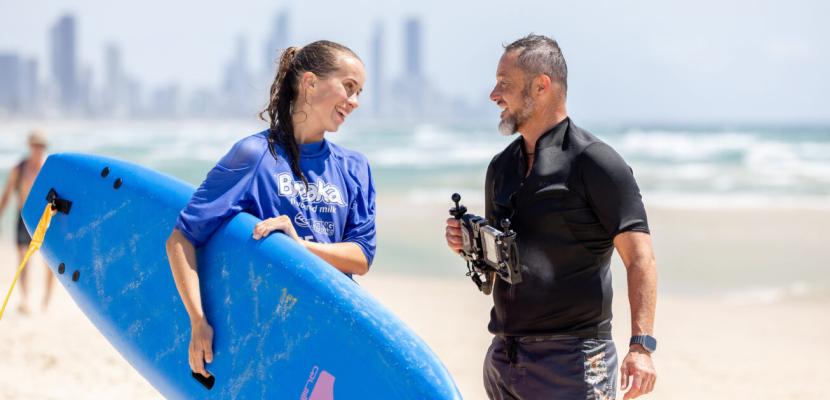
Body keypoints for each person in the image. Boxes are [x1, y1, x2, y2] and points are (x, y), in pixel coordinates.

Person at [444, 35, 658, 399]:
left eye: (504, 83)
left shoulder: (595, 161)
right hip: (503, 360)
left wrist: (641, 346)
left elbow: (640, 257)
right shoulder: (500, 168)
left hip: (573, 361)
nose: (494, 94)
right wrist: (470, 244)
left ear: (542, 85)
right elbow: (503, 271)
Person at [166, 40, 375, 379]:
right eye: (349, 88)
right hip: (267, 337)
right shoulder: (254, 156)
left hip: (331, 331)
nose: (354, 102)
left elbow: (361, 257)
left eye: (359, 92)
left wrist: (300, 246)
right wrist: (198, 320)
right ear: (309, 83)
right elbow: (182, 238)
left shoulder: (355, 167)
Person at [0, 130, 53, 314]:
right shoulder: (20, 168)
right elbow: (6, 195)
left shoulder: (48, 167)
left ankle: (46, 299)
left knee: (49, 261)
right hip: (23, 218)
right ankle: (25, 299)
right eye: (35, 146)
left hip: (44, 218)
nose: (38, 150)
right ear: (30, 147)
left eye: (42, 147)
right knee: (23, 258)